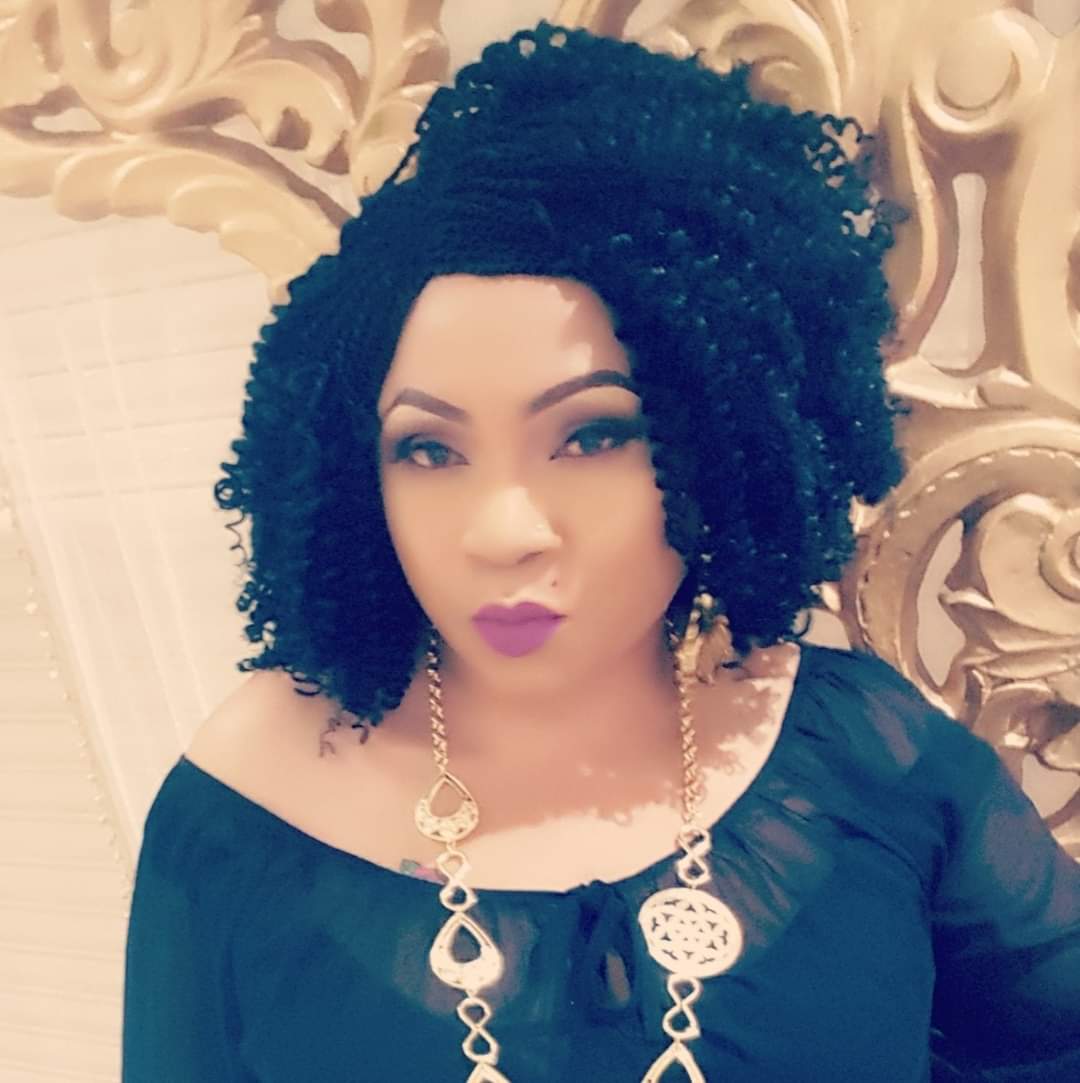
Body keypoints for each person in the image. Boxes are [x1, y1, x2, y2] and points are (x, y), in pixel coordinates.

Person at [121, 20, 1080, 1083]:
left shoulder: (868, 754)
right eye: (429, 449)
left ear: (723, 437)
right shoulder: (245, 806)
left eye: (592, 435)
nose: (504, 531)